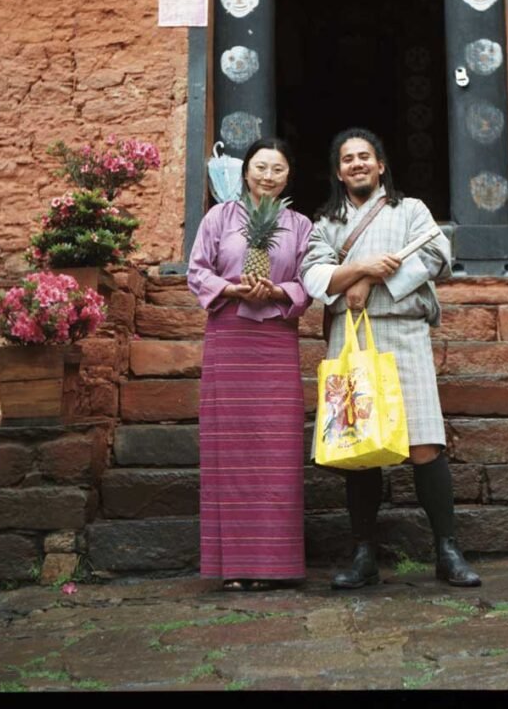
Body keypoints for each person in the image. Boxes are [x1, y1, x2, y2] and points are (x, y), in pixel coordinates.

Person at [302, 127, 480, 589]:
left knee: (424, 442)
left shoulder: (412, 210)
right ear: (338, 172)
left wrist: (373, 282)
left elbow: (438, 253)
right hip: (351, 337)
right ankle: (364, 556)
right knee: (360, 448)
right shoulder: (325, 224)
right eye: (348, 159)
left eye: (365, 156)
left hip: (403, 331)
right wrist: (360, 268)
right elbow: (313, 276)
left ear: (381, 166)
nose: (357, 164)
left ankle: (447, 550)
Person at [187, 138, 313, 592]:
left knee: (277, 451)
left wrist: (280, 292)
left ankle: (275, 564)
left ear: (287, 177)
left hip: (276, 341)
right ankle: (234, 565)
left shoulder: (300, 225)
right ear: (245, 173)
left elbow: (308, 279)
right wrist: (231, 289)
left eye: (278, 169)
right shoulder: (219, 217)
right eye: (261, 167)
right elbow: (196, 270)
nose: (268, 176)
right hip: (229, 338)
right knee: (231, 451)